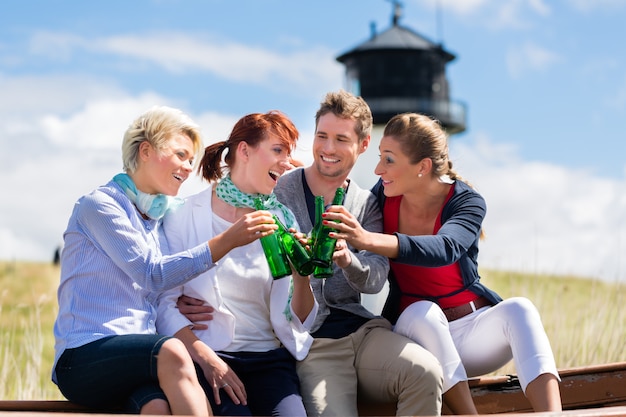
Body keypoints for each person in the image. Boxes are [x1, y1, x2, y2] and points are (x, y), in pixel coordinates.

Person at [180, 91, 443, 417]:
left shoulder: (365, 203)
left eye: (341, 139)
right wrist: (187, 295)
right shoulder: (276, 192)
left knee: (425, 373)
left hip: (363, 332)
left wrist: (349, 257)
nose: (328, 148)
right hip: (311, 344)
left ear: (362, 146)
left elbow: (375, 280)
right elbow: (230, 211)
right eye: (322, 136)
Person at [324, 112, 563, 414]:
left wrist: (368, 239)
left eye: (389, 159)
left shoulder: (467, 202)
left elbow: (445, 248)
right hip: (419, 335)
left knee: (520, 309)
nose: (378, 169)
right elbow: (342, 200)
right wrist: (303, 176)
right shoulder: (381, 199)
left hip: (473, 333)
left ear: (422, 167)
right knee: (425, 312)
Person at [53, 106, 275, 416]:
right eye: (181, 155)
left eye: (191, 161)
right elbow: (151, 274)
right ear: (145, 150)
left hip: (138, 359)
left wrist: (186, 297)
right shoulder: (101, 205)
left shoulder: (160, 219)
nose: (187, 168)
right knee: (172, 350)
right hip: (83, 357)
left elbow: (167, 284)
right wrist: (227, 241)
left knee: (157, 408)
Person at [157, 111, 318, 417]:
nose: (287, 163)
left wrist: (302, 277)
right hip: (211, 358)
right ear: (244, 151)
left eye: (289, 154)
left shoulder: (283, 220)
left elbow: (300, 321)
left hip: (271, 363)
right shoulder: (184, 215)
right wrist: (207, 360)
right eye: (278, 150)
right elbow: (163, 303)